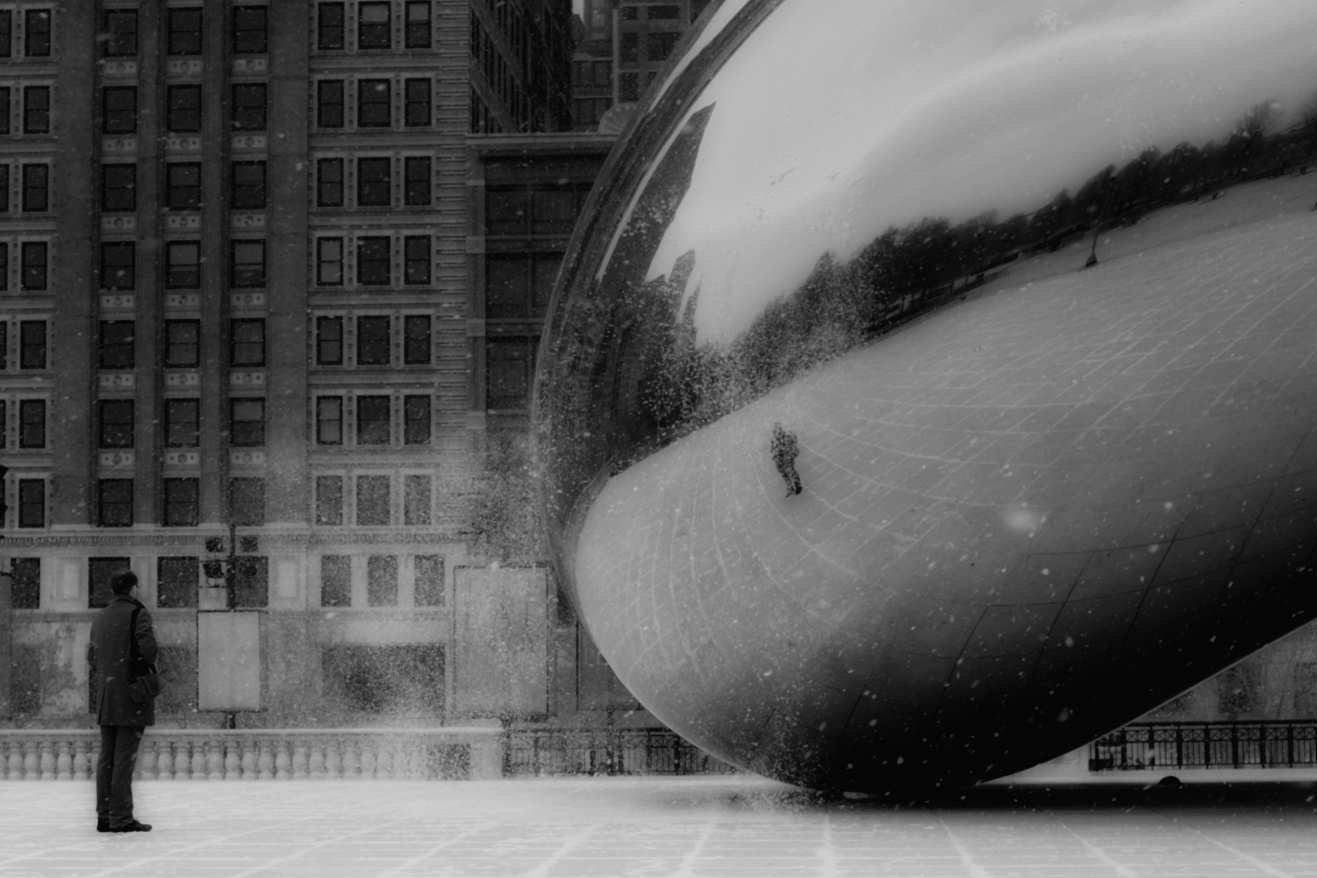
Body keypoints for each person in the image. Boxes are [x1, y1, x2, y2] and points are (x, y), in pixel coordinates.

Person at [87, 570, 156, 833]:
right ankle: (121, 817)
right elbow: (149, 652)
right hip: (131, 696)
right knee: (124, 759)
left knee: (107, 758)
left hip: (106, 698)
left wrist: (109, 674)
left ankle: (104, 816)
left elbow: (92, 658)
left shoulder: (100, 617)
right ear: (132, 589)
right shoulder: (138, 613)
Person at [770, 423, 803, 497]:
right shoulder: (774, 440)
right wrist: (776, 457)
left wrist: (792, 452)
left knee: (790, 470)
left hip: (787, 457)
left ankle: (798, 485)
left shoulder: (786, 437)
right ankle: (790, 487)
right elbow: (772, 449)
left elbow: (793, 443)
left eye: (778, 431)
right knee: (783, 473)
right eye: (775, 431)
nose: (777, 433)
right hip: (779, 459)